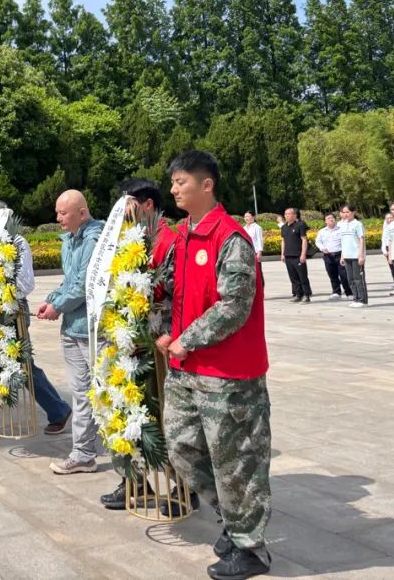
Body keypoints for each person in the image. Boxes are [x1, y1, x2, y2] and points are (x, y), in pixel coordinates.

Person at [157, 150, 271, 580]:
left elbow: (235, 306)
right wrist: (170, 329)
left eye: (181, 182)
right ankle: (233, 520)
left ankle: (250, 547)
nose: (174, 189)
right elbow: (180, 296)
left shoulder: (230, 237)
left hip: (229, 374)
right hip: (187, 368)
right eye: (173, 183)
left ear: (207, 185)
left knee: (237, 460)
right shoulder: (183, 235)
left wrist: (188, 338)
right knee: (183, 449)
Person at [0, 199, 72, 440]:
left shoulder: (17, 243)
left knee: (22, 365)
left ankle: (58, 410)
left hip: (11, 313)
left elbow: (26, 282)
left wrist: (1, 293)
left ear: (5, 217)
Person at [99, 178, 179, 510]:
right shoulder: (120, 242)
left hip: (157, 344)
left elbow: (176, 292)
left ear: (146, 205)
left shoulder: (170, 240)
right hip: (126, 341)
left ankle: (184, 485)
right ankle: (134, 480)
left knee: (163, 416)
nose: (121, 211)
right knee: (123, 410)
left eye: (127, 204)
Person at [37, 190, 104, 476]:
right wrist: (51, 299)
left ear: (82, 212)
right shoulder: (69, 240)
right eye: (57, 212)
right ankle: (83, 453)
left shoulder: (94, 239)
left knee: (103, 392)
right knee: (80, 393)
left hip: (92, 331)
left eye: (63, 213)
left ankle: (125, 453)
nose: (58, 218)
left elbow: (85, 283)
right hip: (72, 330)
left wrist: (58, 306)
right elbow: (69, 280)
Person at [314, 213, 352, 301]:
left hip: (340, 255)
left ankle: (349, 292)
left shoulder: (341, 230)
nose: (330, 219)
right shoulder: (322, 231)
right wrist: (322, 248)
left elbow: (345, 241)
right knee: (332, 275)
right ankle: (336, 292)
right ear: (325, 221)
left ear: (335, 219)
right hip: (328, 256)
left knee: (344, 275)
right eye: (328, 218)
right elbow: (318, 241)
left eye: (332, 218)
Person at [337, 204, 368, 308]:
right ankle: (355, 298)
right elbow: (343, 242)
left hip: (356, 255)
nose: (346, 214)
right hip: (347, 256)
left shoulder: (357, 224)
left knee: (358, 278)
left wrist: (361, 255)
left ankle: (362, 300)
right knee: (350, 279)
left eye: (348, 212)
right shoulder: (342, 225)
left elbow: (362, 240)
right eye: (344, 212)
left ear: (353, 212)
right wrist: (342, 256)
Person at [279, 208, 312, 303]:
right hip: (288, 255)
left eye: (289, 214)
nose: (287, 216)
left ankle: (306, 295)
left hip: (298, 255)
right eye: (286, 214)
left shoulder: (300, 225)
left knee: (302, 276)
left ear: (295, 215)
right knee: (293, 277)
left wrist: (303, 254)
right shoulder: (284, 227)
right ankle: (298, 294)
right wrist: (282, 254)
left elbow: (304, 240)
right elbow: (283, 241)